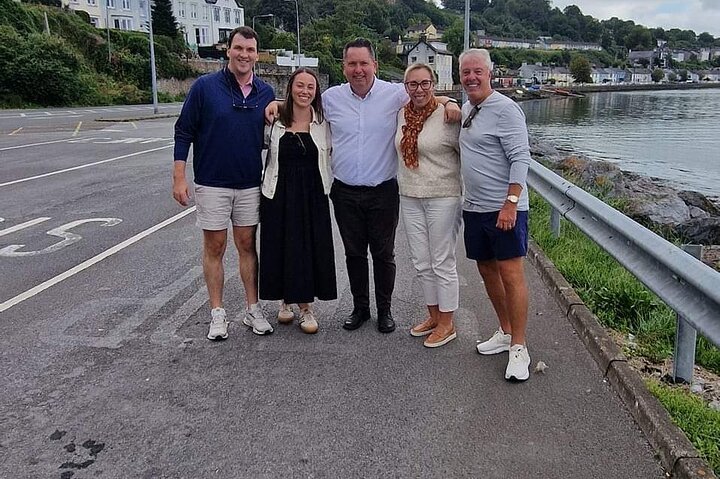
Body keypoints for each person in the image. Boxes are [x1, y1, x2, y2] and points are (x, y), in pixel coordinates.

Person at [322, 38, 462, 334]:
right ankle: (360, 308)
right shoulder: (331, 98)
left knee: (384, 254)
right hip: (345, 191)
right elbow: (299, 105)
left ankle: (384, 311)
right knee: (354, 254)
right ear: (343, 67)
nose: (358, 69)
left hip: (383, 191)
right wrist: (274, 104)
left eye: (363, 63)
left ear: (374, 65)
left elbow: (424, 93)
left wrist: (450, 102)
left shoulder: (394, 94)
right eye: (352, 64)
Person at [173, 26, 276, 340]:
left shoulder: (266, 93)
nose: (244, 55)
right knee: (215, 246)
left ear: (256, 55)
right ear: (228, 50)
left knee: (247, 246)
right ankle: (217, 313)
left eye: (250, 50)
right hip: (212, 182)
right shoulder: (205, 87)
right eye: (239, 48)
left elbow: (278, 131)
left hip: (249, 183)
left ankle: (252, 309)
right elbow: (184, 131)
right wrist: (179, 177)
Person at [458, 49, 533, 381]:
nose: (471, 77)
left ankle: (519, 347)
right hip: (475, 208)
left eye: (478, 71)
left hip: (504, 208)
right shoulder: (467, 109)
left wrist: (511, 202)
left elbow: (520, 157)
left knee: (510, 274)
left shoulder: (506, 109)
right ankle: (505, 331)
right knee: (487, 270)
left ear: (490, 74)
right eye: (466, 72)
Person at [259, 67, 336, 334]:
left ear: (316, 92)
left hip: (312, 193)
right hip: (278, 191)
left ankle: (305, 307)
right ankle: (285, 301)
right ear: (290, 88)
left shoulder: (324, 122)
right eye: (300, 85)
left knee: (307, 249)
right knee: (281, 246)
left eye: (310, 87)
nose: (305, 91)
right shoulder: (274, 120)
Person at [394, 63, 462, 348]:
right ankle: (434, 316)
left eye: (425, 83)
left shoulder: (448, 115)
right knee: (421, 261)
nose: (419, 89)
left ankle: (448, 323)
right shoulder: (402, 113)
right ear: (406, 87)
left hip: (443, 195)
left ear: (434, 85)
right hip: (410, 194)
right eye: (413, 84)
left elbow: (466, 154)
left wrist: (451, 102)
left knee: (442, 260)